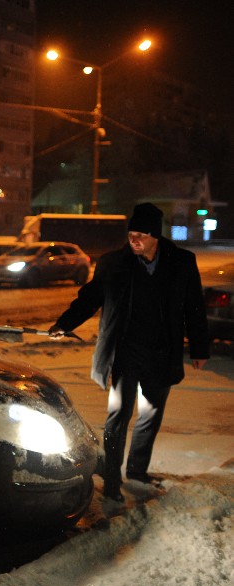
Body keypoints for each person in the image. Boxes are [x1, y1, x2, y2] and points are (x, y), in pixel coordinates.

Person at [48, 202, 209, 502]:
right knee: (117, 416)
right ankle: (111, 479)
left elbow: (194, 307)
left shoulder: (182, 262)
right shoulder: (113, 263)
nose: (134, 239)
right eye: (131, 233)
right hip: (124, 353)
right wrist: (64, 323)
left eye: (142, 235)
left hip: (162, 353)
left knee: (149, 415)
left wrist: (200, 347)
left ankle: (137, 470)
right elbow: (90, 297)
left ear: (155, 237)